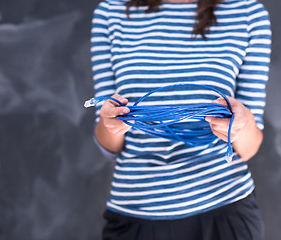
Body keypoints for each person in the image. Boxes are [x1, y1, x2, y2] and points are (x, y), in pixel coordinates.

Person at [90, 0, 271, 239]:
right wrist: (108, 122)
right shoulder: (111, 11)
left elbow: (249, 146)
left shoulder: (247, 13)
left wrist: (244, 122)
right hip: (136, 212)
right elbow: (109, 146)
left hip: (224, 212)